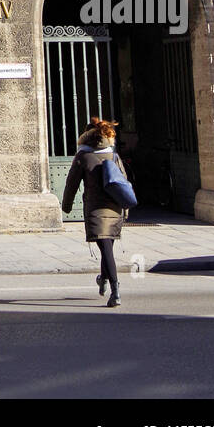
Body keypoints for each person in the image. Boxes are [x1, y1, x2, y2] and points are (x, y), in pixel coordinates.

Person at [61, 116, 129, 308]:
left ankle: (115, 290)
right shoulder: (113, 156)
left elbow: (71, 184)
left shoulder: (82, 156)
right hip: (115, 209)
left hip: (96, 209)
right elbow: (124, 183)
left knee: (105, 248)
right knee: (106, 246)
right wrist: (125, 209)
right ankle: (103, 279)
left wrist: (66, 206)